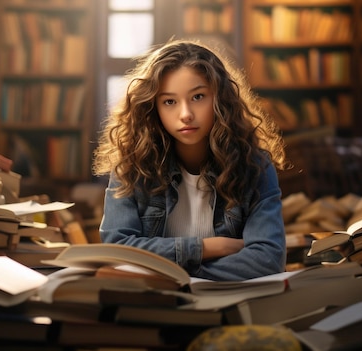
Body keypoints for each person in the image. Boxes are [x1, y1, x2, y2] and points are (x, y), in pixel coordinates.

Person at [93, 39, 289, 281]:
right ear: (153, 108)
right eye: (170, 102)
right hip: (154, 303)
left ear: (220, 100)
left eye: (198, 97)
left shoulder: (255, 166)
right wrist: (207, 249)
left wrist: (172, 273)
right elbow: (118, 249)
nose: (185, 114)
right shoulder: (132, 167)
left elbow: (267, 260)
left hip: (227, 303)